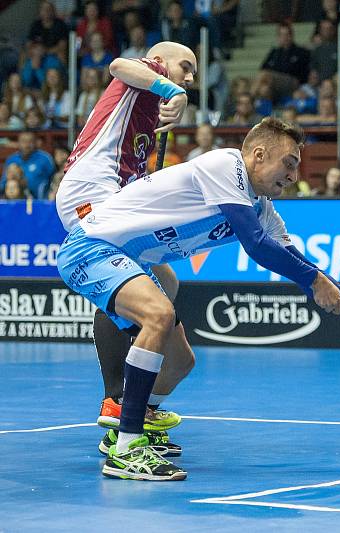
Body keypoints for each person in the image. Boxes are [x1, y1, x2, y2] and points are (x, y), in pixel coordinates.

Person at [56, 117, 340, 480]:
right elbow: (256, 245)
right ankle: (127, 448)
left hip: (129, 259)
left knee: (180, 362)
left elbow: (300, 263)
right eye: (289, 163)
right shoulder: (224, 165)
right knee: (158, 314)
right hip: (91, 247)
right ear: (257, 154)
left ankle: (125, 424)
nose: (293, 175)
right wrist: (313, 279)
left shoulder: (263, 210)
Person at [55, 40, 197, 458]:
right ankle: (116, 399)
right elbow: (119, 64)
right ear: (161, 61)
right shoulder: (144, 76)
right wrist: (174, 90)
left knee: (167, 282)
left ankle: (140, 406)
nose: (189, 77)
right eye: (184, 67)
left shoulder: (147, 112)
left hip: (114, 195)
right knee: (134, 278)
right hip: (90, 191)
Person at [0, 131, 56, 199]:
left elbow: (54, 180)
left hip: (40, 201)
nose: (27, 144)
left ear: (35, 143)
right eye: (23, 141)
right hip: (15, 199)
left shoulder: (45, 159)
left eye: (30, 141)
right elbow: (3, 183)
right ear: (18, 143)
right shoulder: (11, 159)